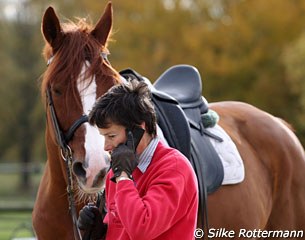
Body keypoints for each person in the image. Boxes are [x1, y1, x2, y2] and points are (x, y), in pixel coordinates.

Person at [77, 80, 198, 240]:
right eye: (104, 137)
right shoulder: (116, 172)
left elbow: (142, 229)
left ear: (138, 129)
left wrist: (123, 177)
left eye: (111, 136)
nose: (106, 147)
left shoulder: (174, 169)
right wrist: (101, 232)